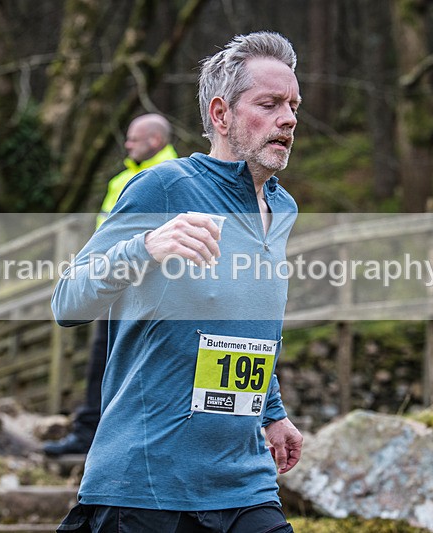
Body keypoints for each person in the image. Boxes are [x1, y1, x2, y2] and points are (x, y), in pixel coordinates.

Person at [51, 31, 303, 533]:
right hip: (147, 481)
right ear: (221, 114)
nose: (289, 119)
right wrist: (144, 248)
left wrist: (272, 411)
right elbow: (68, 301)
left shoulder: (283, 207)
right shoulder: (165, 187)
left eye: (294, 105)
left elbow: (247, 321)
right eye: (270, 104)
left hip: (244, 479)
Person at [43, 114, 178, 456]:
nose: (127, 144)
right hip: (114, 277)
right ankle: (89, 431)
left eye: (134, 138)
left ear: (156, 141)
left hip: (150, 287)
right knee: (100, 357)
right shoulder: (121, 179)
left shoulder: (174, 176)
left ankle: (121, 435)